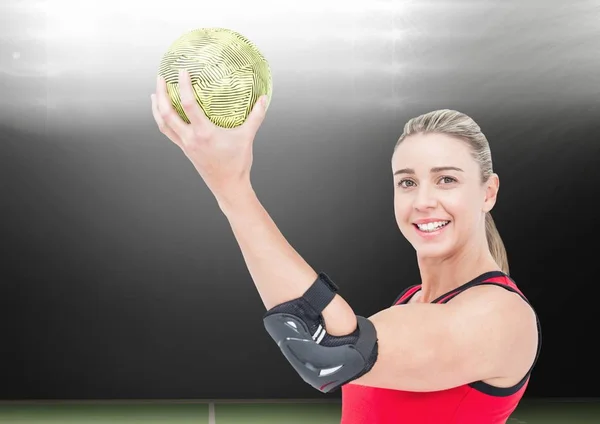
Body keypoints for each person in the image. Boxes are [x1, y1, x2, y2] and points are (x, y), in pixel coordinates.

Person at [150, 70, 541, 424]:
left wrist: (232, 189)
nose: (423, 200)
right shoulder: (409, 303)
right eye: (407, 182)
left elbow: (331, 352)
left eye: (446, 180)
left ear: (488, 192)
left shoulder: (502, 316)